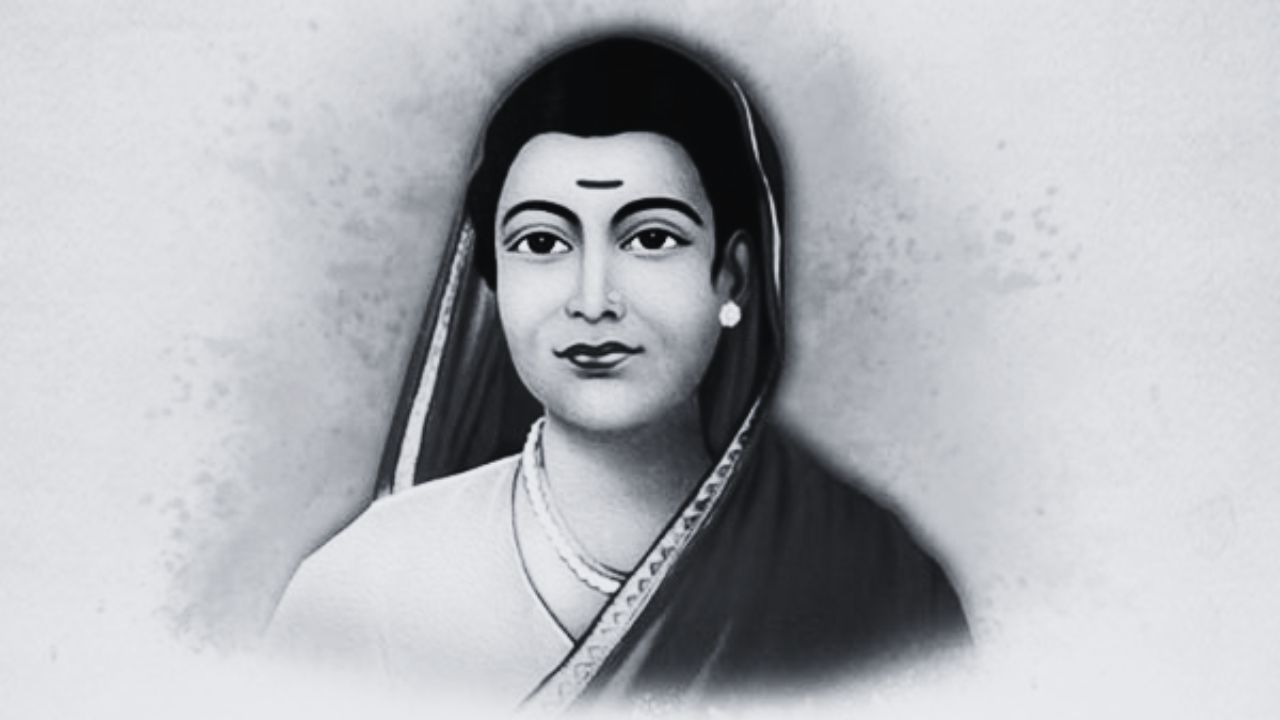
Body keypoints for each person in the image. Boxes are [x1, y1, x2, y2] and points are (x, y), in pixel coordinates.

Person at [266, 34, 969, 712]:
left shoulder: (872, 585)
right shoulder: (363, 591)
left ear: (733, 275)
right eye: (542, 242)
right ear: (494, 280)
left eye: (650, 238)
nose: (593, 299)